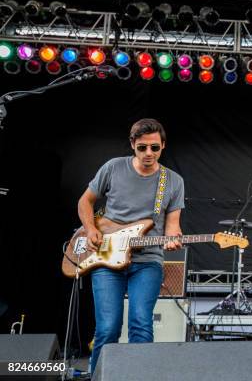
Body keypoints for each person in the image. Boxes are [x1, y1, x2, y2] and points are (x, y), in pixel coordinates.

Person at [78, 118, 185, 373]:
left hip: (147, 261)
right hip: (106, 258)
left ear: (163, 146)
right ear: (132, 145)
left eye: (155, 148)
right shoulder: (113, 168)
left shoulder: (172, 181)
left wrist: (173, 238)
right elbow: (85, 202)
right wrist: (92, 229)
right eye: (142, 147)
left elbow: (172, 225)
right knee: (107, 328)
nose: (149, 153)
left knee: (140, 323)